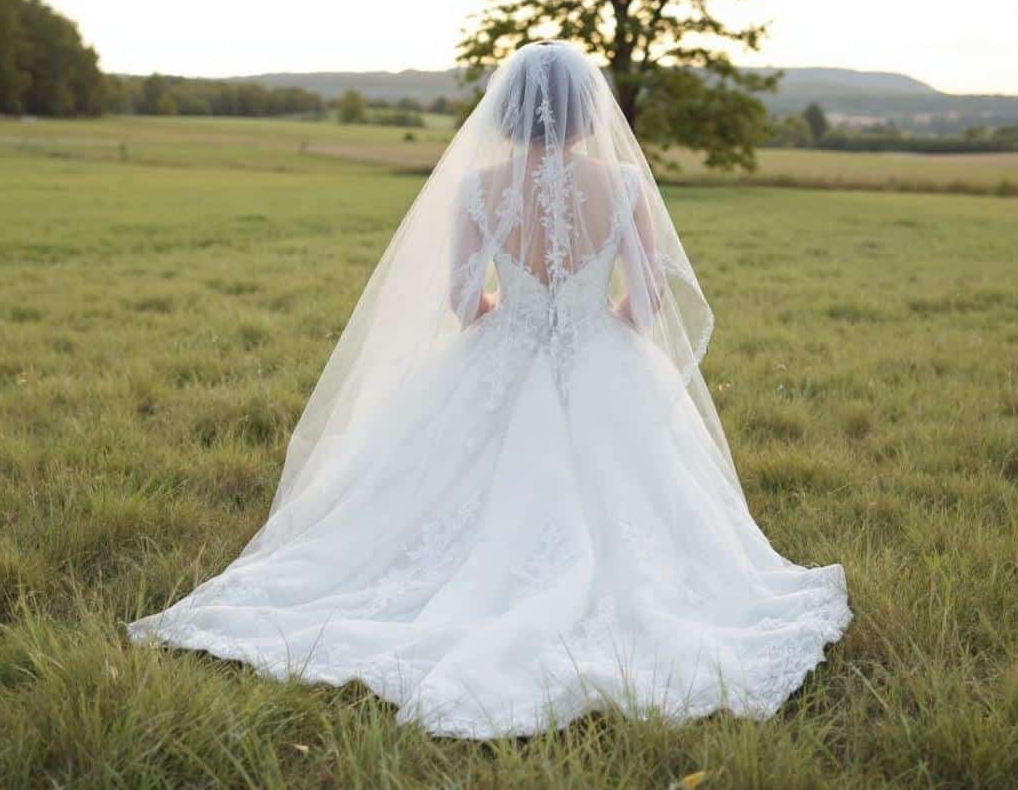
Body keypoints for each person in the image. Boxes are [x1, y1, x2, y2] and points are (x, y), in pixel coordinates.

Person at [128, 40, 851, 739]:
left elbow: (464, 300)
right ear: (584, 112)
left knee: (429, 497)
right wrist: (602, 325)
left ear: (506, 110)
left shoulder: (477, 188)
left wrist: (514, 317)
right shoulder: (624, 184)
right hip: (601, 352)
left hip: (503, 348)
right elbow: (651, 297)